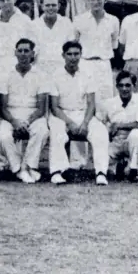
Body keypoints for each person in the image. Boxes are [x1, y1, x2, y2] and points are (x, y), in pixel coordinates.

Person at [48, 41, 111, 186]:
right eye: (69, 54)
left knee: (100, 132)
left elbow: (91, 104)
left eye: (76, 54)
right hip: (61, 115)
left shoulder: (88, 74)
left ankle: (101, 172)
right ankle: (58, 172)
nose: (73, 57)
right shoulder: (55, 75)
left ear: (81, 55)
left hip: (83, 114)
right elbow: (54, 107)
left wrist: (85, 123)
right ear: (63, 55)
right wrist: (69, 122)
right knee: (58, 132)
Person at [0, 38, 50, 184]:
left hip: (33, 115)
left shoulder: (41, 75)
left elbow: (41, 108)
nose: (23, 54)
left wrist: (26, 122)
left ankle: (28, 166)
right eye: (20, 51)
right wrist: (15, 122)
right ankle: (20, 169)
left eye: (26, 51)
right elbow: (2, 108)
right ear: (15, 53)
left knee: (42, 131)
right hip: (11, 115)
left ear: (33, 54)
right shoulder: (5, 75)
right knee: (4, 136)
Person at [99, 71, 138, 183]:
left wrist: (118, 125)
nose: (124, 89)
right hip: (116, 141)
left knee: (136, 134)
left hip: (133, 141)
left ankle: (133, 169)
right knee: (101, 164)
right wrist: (108, 130)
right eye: (121, 85)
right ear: (116, 86)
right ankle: (120, 164)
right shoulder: (109, 103)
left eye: (128, 85)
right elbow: (100, 122)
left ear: (134, 86)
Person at [72, 0, 120, 103]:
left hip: (104, 65)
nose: (96, 2)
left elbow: (114, 45)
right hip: (85, 64)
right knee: (84, 98)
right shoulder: (79, 20)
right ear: (88, 0)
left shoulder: (113, 21)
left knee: (105, 99)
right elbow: (74, 44)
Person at [32, 0, 75, 76]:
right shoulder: (34, 25)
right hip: (40, 71)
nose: (50, 8)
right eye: (47, 5)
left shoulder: (66, 23)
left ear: (58, 6)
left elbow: (71, 48)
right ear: (42, 6)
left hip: (62, 71)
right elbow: (32, 51)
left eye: (53, 5)